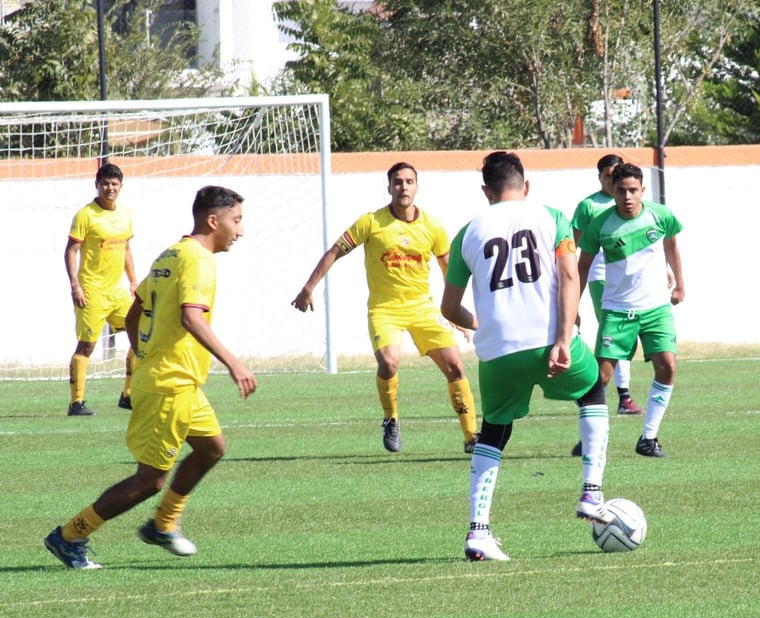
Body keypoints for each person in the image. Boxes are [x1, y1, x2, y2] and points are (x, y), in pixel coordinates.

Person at [44, 186, 258, 570]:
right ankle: (71, 534)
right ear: (214, 220)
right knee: (149, 481)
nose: (240, 231)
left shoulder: (171, 253)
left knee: (212, 448)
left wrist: (143, 354)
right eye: (237, 220)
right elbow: (191, 317)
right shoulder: (200, 260)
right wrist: (233, 363)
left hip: (178, 382)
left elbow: (135, 310)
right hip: (168, 385)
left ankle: (163, 523)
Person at [441, 151, 615, 562]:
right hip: (547, 338)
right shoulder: (552, 217)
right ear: (527, 185)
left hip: (498, 352)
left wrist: (482, 326)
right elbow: (570, 275)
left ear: (486, 191)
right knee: (592, 392)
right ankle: (591, 493)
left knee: (494, 433)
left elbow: (449, 309)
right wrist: (561, 338)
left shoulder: (467, 231)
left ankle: (478, 532)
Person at [292, 162, 477, 454]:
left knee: (455, 365)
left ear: (417, 186)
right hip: (385, 309)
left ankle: (471, 437)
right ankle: (391, 419)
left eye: (409, 181)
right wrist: (308, 287)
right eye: (398, 182)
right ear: (389, 187)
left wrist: (455, 312)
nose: (404, 187)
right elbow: (335, 251)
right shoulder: (371, 222)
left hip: (423, 309)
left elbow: (449, 269)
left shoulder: (433, 226)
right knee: (389, 362)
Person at [576, 163, 685, 459]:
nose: (627, 196)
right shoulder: (600, 224)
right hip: (617, 310)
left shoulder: (660, 215)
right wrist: (573, 306)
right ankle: (588, 436)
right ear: (612, 190)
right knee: (600, 377)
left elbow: (672, 245)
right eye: (621, 190)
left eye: (633, 190)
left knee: (668, 366)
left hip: (656, 309)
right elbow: (583, 266)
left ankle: (648, 437)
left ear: (642, 191)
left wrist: (679, 285)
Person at [63, 163, 138, 416]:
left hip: (117, 292)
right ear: (97, 185)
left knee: (142, 334)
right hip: (91, 291)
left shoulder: (126, 214)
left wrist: (133, 281)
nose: (110, 188)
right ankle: (76, 403)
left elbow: (126, 249)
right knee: (87, 346)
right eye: (106, 183)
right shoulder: (86, 215)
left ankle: (127, 395)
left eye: (115, 184)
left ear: (121, 187)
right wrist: (75, 286)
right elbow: (71, 251)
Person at [572, 154, 642, 416]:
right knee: (616, 333)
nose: (614, 182)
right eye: (608, 176)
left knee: (623, 335)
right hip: (602, 277)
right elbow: (572, 245)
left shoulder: (632, 203)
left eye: (617, 175)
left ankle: (603, 393)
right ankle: (622, 397)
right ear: (600, 176)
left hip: (631, 279)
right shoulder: (589, 206)